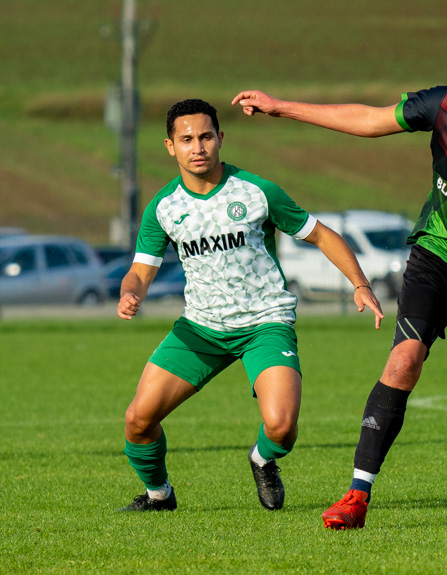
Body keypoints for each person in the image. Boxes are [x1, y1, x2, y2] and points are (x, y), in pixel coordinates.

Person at [232, 24, 447, 529]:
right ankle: (357, 495)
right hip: (434, 259)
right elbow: (369, 119)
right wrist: (283, 107)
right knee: (402, 362)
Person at [117, 98, 383, 512]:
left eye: (206, 136)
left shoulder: (257, 192)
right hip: (200, 329)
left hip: (265, 323)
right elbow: (140, 270)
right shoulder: (163, 209)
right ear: (170, 146)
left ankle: (262, 459)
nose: (197, 147)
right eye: (186, 139)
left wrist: (360, 283)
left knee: (282, 427)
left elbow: (322, 235)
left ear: (220, 139)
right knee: (138, 420)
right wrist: (130, 292)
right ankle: (159, 495)